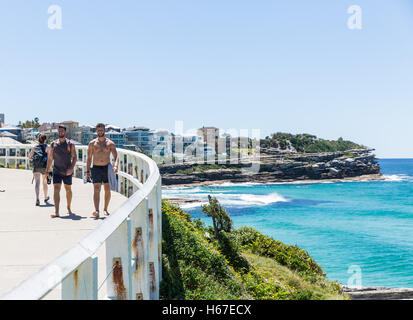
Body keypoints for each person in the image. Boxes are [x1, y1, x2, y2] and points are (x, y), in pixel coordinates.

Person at [86, 123, 118, 218]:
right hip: (96, 168)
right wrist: (87, 171)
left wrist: (115, 166)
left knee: (107, 189)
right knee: (96, 189)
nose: (100, 132)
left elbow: (116, 157)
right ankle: (96, 210)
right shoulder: (92, 143)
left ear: (105, 131)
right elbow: (89, 158)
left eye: (102, 130)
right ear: (96, 131)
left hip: (106, 168)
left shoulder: (110, 143)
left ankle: (105, 209)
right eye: (98, 130)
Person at [46, 125, 77, 218]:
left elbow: (75, 157)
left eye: (62, 131)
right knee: (56, 189)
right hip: (56, 170)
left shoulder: (70, 144)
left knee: (68, 189)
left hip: (67, 171)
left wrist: (71, 168)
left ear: (65, 132)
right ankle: (57, 211)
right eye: (59, 131)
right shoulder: (53, 144)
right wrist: (47, 170)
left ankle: (68, 207)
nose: (60, 133)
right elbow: (50, 158)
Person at [28, 133, 50, 206]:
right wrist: (49, 168)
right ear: (45, 139)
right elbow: (49, 158)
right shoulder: (47, 147)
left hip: (36, 166)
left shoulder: (34, 147)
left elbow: (29, 157)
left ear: (38, 139)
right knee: (44, 182)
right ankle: (45, 197)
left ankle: (37, 199)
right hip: (44, 166)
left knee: (37, 182)